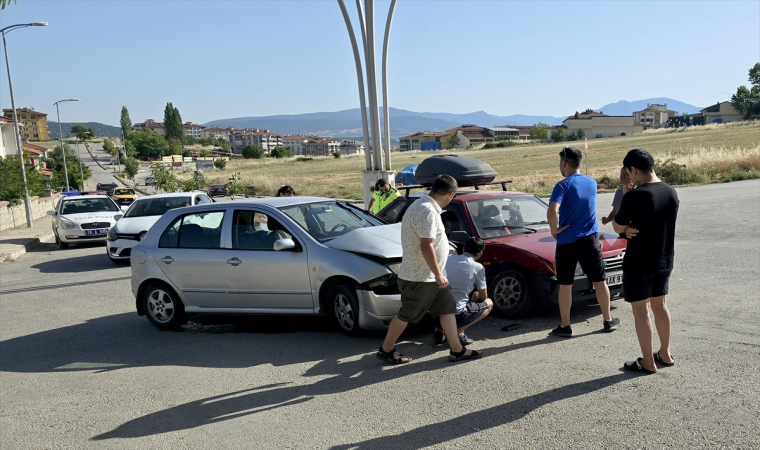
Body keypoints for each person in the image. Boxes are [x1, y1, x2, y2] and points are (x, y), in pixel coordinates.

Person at [377, 175, 483, 364]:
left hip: (431, 278)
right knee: (407, 315)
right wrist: (438, 274)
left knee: (447, 309)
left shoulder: (420, 205)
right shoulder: (427, 211)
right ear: (451, 194)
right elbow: (426, 245)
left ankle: (457, 350)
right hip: (421, 278)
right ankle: (386, 349)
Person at [613, 149, 679, 374]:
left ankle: (648, 363)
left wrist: (625, 194)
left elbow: (617, 226)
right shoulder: (671, 192)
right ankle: (665, 353)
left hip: (639, 261)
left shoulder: (634, 195)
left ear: (633, 169)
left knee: (641, 311)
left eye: (628, 174)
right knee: (660, 305)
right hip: (664, 258)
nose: (629, 179)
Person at [547, 147, 620, 338]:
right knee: (599, 280)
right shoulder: (592, 183)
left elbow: (552, 210)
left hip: (567, 241)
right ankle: (607, 319)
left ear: (564, 163)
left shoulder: (562, 185)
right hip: (589, 239)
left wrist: (554, 229)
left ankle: (565, 326)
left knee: (565, 284)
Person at [432, 237, 494, 346]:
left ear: (464, 249)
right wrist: (476, 293)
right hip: (456, 315)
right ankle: (459, 331)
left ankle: (439, 330)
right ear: (479, 254)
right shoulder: (478, 267)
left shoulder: (449, 258)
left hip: (437, 313)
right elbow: (484, 296)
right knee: (489, 303)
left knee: (446, 298)